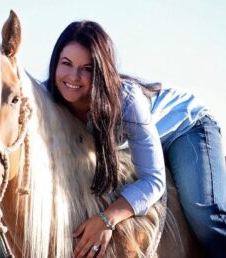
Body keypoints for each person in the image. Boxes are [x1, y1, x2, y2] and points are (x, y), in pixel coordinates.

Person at [44, 20, 226, 258]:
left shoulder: (126, 101)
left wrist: (106, 220)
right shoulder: (45, 100)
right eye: (66, 63)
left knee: (203, 213)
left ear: (100, 72)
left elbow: (153, 180)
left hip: (185, 126)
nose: (73, 76)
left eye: (87, 68)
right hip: (141, 143)